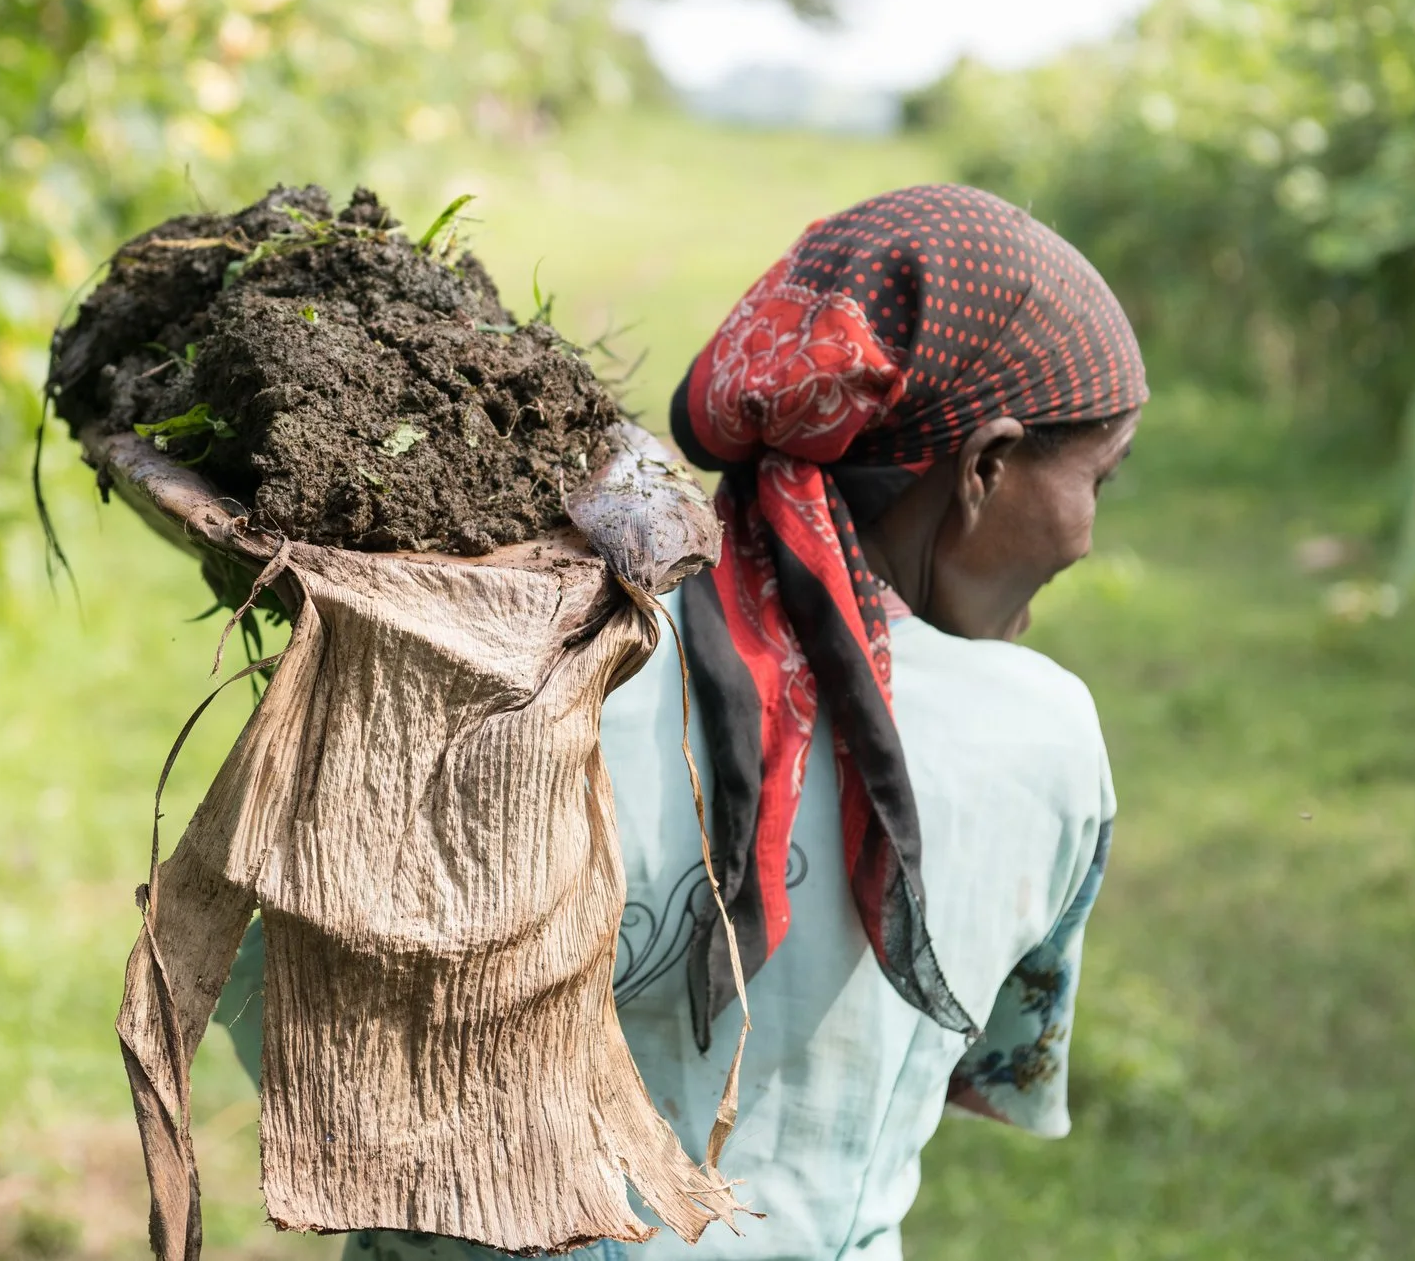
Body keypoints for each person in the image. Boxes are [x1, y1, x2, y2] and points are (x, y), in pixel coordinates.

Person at [218, 184, 1148, 1260]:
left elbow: (289, 1032)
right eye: (1098, 480)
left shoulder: (536, 663)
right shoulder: (1046, 739)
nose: (1085, 535)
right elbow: (991, 1068)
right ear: (983, 465)